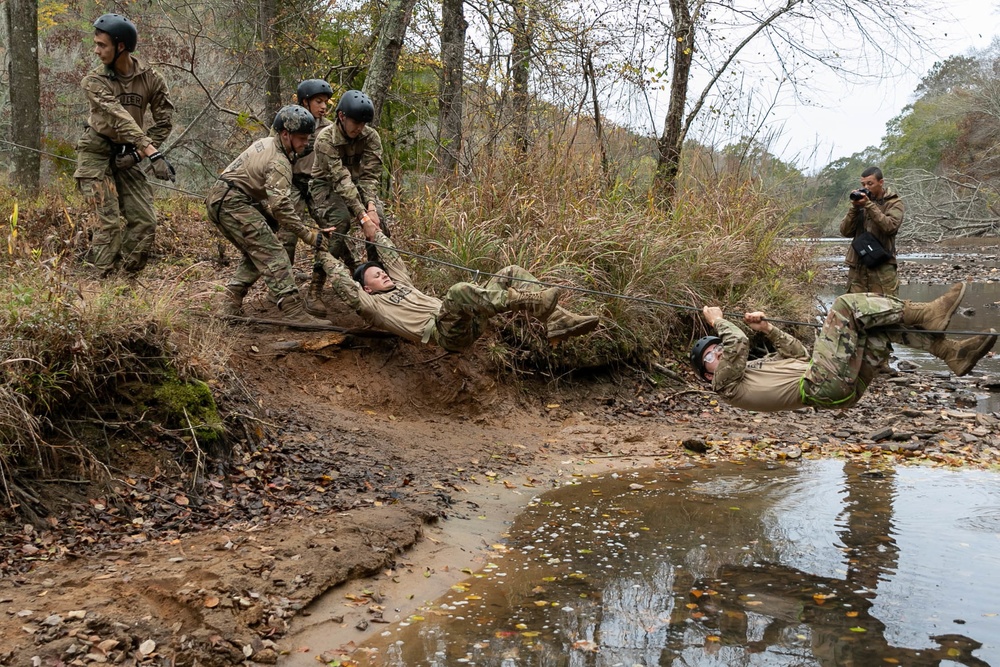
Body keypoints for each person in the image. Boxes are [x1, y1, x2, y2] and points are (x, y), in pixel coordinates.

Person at [690, 283, 997, 412]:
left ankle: (951, 353)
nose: (718, 353)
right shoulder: (724, 385)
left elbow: (799, 354)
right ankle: (926, 312)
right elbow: (738, 342)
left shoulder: (751, 371)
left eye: (716, 349)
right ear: (707, 376)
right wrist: (717, 321)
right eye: (710, 357)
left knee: (874, 333)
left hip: (842, 391)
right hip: (822, 385)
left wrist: (768, 329)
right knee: (845, 305)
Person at [313, 215, 601, 351]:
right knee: (457, 291)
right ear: (367, 288)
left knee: (511, 271)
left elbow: (390, 255)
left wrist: (369, 225)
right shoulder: (372, 305)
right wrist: (321, 250)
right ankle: (529, 303)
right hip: (446, 334)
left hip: (468, 322)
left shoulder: (401, 283)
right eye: (375, 275)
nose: (383, 274)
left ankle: (560, 321)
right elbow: (342, 283)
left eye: (381, 271)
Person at [204, 105, 332, 326]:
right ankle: (294, 312)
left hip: (227, 199)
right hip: (231, 202)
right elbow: (281, 206)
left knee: (261, 248)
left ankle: (230, 304)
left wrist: (268, 217)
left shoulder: (269, 143)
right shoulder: (280, 162)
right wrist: (309, 235)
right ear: (285, 134)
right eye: (301, 138)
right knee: (274, 252)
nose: (305, 143)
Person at [74, 13, 175, 276]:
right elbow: (119, 117)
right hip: (95, 151)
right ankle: (100, 284)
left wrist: (137, 155)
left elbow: (164, 122)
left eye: (102, 45)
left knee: (145, 223)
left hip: (129, 154)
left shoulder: (151, 78)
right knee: (107, 224)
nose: (96, 51)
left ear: (121, 46)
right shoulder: (94, 81)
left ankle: (122, 283)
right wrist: (151, 151)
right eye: (95, 44)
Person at [307, 89, 388, 317]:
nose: (360, 128)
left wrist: (370, 209)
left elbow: (370, 176)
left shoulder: (371, 137)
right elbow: (340, 179)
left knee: (379, 220)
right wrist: (362, 217)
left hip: (357, 185)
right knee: (339, 223)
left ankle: (374, 278)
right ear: (341, 116)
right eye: (356, 122)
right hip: (326, 185)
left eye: (363, 123)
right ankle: (315, 288)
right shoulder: (325, 139)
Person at [273, 79, 334, 272]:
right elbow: (273, 152)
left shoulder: (330, 128)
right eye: (318, 101)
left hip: (318, 185)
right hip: (292, 183)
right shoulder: (288, 121)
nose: (323, 107)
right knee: (288, 236)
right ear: (305, 102)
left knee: (333, 230)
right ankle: (283, 287)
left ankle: (322, 280)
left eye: (326, 102)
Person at [840, 166, 904, 296]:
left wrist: (869, 205)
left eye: (870, 183)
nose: (866, 187)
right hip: (858, 263)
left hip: (882, 263)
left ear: (881, 182)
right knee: (855, 307)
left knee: (886, 306)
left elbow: (890, 227)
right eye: (863, 184)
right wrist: (854, 209)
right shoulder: (860, 204)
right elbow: (845, 232)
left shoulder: (894, 202)